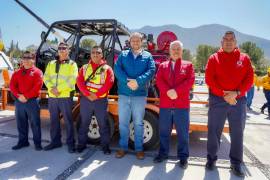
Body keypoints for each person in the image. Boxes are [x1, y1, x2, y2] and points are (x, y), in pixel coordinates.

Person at [205, 31, 253, 177]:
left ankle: (236, 163)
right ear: (221, 42)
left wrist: (236, 93)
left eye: (231, 39)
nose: (228, 42)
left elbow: (249, 79)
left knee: (237, 133)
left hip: (238, 101)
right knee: (214, 131)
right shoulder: (214, 58)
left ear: (235, 42)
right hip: (218, 100)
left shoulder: (244, 58)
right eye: (226, 39)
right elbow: (209, 79)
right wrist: (224, 95)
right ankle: (211, 159)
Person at [153, 40, 195, 169]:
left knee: (183, 133)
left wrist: (176, 91)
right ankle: (163, 153)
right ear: (169, 51)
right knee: (164, 132)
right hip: (165, 105)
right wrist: (168, 91)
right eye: (173, 49)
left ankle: (183, 157)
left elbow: (190, 81)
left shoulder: (188, 65)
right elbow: (159, 80)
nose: (176, 51)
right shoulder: (163, 66)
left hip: (181, 106)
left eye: (178, 49)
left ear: (182, 51)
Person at [114, 32, 156, 160]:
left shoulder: (148, 56)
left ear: (142, 41)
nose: (135, 42)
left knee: (138, 123)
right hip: (124, 95)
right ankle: (123, 147)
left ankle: (139, 149)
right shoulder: (123, 55)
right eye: (133, 40)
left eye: (138, 40)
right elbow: (117, 69)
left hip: (139, 95)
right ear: (130, 42)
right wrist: (127, 81)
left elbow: (151, 70)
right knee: (123, 123)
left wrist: (138, 81)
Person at [76, 46, 114, 154]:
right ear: (90, 54)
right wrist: (87, 94)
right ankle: (81, 145)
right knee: (84, 123)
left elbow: (109, 83)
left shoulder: (107, 69)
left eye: (98, 52)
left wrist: (97, 95)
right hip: (86, 100)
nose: (95, 54)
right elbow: (79, 81)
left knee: (103, 125)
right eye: (93, 52)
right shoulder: (84, 68)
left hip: (100, 101)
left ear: (102, 55)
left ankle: (105, 147)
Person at [43, 42, 78, 153]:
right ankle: (55, 142)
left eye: (64, 48)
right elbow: (46, 77)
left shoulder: (72, 64)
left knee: (68, 121)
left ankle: (70, 143)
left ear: (68, 50)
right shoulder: (51, 63)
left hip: (65, 97)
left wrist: (59, 89)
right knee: (54, 121)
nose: (62, 50)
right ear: (58, 50)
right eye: (60, 48)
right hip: (53, 97)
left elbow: (73, 79)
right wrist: (51, 88)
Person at [10, 51, 43, 151]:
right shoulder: (17, 72)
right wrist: (18, 96)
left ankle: (37, 144)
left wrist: (26, 96)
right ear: (22, 60)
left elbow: (37, 87)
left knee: (35, 124)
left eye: (29, 58)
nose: (26, 60)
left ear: (33, 60)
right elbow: (12, 85)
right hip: (19, 101)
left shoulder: (38, 72)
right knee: (21, 123)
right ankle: (23, 142)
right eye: (24, 58)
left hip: (32, 102)